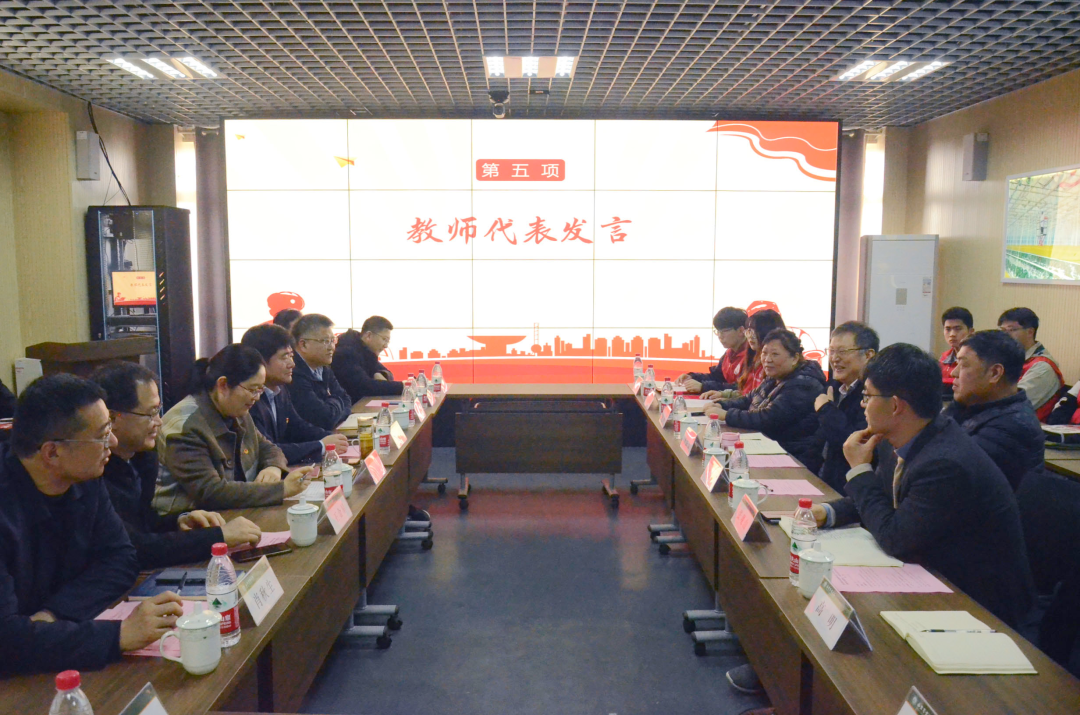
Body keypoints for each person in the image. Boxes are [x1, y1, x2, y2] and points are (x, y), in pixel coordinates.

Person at [815, 344, 1034, 628]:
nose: (862, 404)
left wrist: (858, 470)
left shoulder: (945, 463)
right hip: (928, 574)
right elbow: (880, 497)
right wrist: (827, 512)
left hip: (977, 605)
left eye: (867, 396)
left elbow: (894, 537)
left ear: (895, 406)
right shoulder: (903, 437)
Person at [0, 374, 184, 675]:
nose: (113, 442)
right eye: (102, 435)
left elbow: (121, 558)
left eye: (110, 429)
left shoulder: (85, 479)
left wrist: (54, 614)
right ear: (52, 452)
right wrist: (118, 635)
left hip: (53, 647)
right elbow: (6, 641)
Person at [91, 362, 262, 568]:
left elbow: (145, 523)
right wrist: (218, 537)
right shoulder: (94, 471)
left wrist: (180, 521)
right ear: (112, 418)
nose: (159, 421)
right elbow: (135, 547)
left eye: (158, 410)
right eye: (150, 413)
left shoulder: (142, 457)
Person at [154, 345, 313, 516]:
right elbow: (211, 492)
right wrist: (282, 489)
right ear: (223, 385)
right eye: (252, 389)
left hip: (234, 512)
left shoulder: (237, 410)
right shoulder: (184, 427)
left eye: (260, 389)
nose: (257, 397)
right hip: (191, 521)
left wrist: (273, 467)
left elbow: (268, 447)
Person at [705, 329, 826, 472]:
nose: (767, 359)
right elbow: (749, 399)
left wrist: (727, 415)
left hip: (793, 458)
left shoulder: (804, 384)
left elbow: (768, 418)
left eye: (775, 354)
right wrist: (721, 404)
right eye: (764, 353)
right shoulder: (776, 376)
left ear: (794, 358)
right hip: (769, 448)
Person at [942, 331, 1044, 490]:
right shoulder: (971, 404)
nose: (954, 372)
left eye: (964, 365)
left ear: (995, 373)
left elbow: (945, 471)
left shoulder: (1012, 427)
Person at [242, 324, 349, 464]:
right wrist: (321, 446)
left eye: (291, 356)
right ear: (260, 361)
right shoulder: (250, 399)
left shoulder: (280, 389)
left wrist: (332, 437)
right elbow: (268, 450)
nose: (292, 364)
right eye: (284, 357)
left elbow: (297, 426)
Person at [813, 321, 878, 492]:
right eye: (832, 351)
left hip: (849, 490)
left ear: (868, 355)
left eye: (842, 352)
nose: (835, 358)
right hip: (821, 480)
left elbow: (853, 443)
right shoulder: (833, 387)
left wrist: (826, 409)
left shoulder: (874, 395)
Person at [701, 309, 785, 401]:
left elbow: (761, 402)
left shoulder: (776, 366)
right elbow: (749, 393)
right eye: (749, 331)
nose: (751, 336)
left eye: (724, 331)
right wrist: (725, 396)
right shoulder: (751, 356)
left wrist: (726, 404)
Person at [288, 314, 353, 430]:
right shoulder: (293, 372)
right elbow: (324, 418)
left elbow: (346, 399)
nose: (331, 347)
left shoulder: (323, 368)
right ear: (303, 344)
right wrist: (336, 401)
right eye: (325, 341)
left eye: (333, 341)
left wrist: (332, 405)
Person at [998, 307, 1063, 421]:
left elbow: (1012, 405)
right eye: (1003, 331)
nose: (1005, 336)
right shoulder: (1008, 358)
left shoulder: (1042, 367)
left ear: (1030, 332)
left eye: (1011, 330)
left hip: (1022, 426)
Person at [678, 307, 750, 395]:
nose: (720, 336)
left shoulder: (752, 356)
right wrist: (692, 377)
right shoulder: (729, 354)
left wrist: (703, 387)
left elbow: (741, 387)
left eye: (724, 331)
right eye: (717, 331)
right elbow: (716, 377)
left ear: (741, 331)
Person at [332, 316, 404, 402]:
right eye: (384, 339)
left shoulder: (366, 351)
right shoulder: (345, 353)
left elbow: (388, 373)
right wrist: (404, 386)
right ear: (369, 335)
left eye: (387, 341)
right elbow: (364, 387)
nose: (386, 346)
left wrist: (381, 374)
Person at [939, 307, 973, 395]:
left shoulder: (978, 358)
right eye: (948, 329)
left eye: (958, 329)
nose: (952, 334)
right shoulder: (943, 358)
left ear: (971, 331)